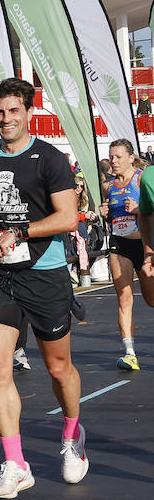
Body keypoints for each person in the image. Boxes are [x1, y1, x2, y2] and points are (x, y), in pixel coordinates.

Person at [0, 78, 84, 500]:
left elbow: (68, 217)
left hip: (45, 273)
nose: (6, 119)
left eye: (13, 111)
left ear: (28, 111)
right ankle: (15, 463)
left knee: (57, 369)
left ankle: (71, 436)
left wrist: (19, 231)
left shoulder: (49, 158)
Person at [100, 139, 146, 370]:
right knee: (124, 298)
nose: (114, 161)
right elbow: (111, 216)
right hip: (119, 244)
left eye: (118, 156)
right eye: (111, 157)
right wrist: (104, 213)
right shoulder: (109, 186)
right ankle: (129, 353)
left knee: (151, 299)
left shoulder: (143, 179)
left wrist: (139, 209)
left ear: (131, 157)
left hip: (146, 245)